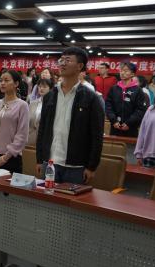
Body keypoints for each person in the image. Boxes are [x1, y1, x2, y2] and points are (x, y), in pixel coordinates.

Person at [36, 47, 104, 184]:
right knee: (46, 197)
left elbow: (96, 136)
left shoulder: (91, 98)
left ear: (80, 66)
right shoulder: (50, 96)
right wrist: (39, 159)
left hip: (76, 166)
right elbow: (42, 129)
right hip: (50, 163)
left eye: (68, 60)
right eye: (61, 60)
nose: (62, 63)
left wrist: (91, 166)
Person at [0, 70, 29, 174]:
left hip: (11, 157)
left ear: (16, 84)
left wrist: (5, 157)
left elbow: (22, 136)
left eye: (6, 80)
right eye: (1, 80)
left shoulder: (22, 105)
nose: (2, 83)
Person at [105, 62, 147, 137]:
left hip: (131, 127)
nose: (122, 73)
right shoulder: (114, 88)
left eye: (126, 71)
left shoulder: (138, 90)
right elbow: (108, 106)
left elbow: (140, 109)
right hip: (115, 126)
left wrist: (129, 123)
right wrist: (113, 120)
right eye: (121, 70)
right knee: (114, 144)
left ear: (132, 74)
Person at [28, 78, 52, 144]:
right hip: (30, 138)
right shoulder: (32, 103)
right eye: (40, 86)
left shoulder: (52, 105)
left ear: (50, 89)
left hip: (44, 140)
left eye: (44, 87)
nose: (41, 88)